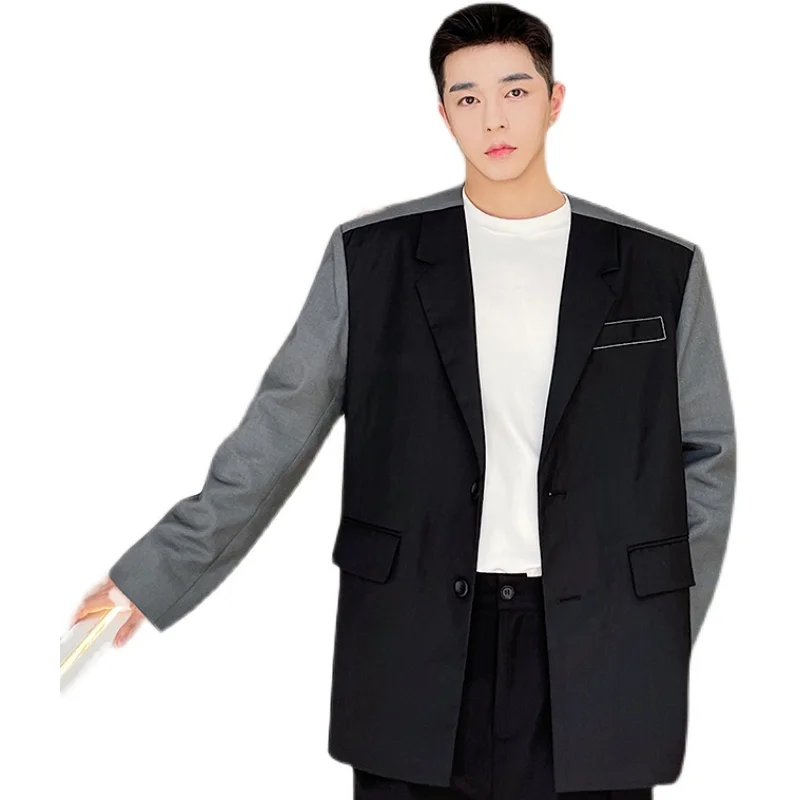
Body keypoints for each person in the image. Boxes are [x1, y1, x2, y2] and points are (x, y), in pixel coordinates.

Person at [70, 4, 736, 798]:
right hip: (414, 649)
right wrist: (153, 574)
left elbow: (706, 459)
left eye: (515, 91)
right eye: (467, 97)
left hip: (600, 654)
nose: (493, 118)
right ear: (443, 113)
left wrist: (654, 627)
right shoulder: (371, 259)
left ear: (555, 100)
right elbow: (275, 434)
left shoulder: (659, 269)